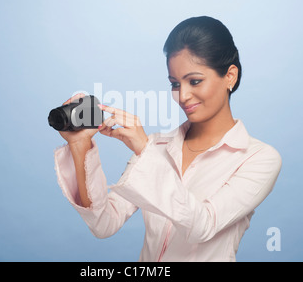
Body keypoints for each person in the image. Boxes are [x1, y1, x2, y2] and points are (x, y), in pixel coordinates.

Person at [53, 16, 282, 262]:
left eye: (195, 81)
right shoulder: (157, 146)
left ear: (230, 76)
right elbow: (104, 223)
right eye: (175, 84)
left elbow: (203, 225)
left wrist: (143, 149)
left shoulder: (258, 158)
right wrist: (80, 146)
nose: (183, 96)